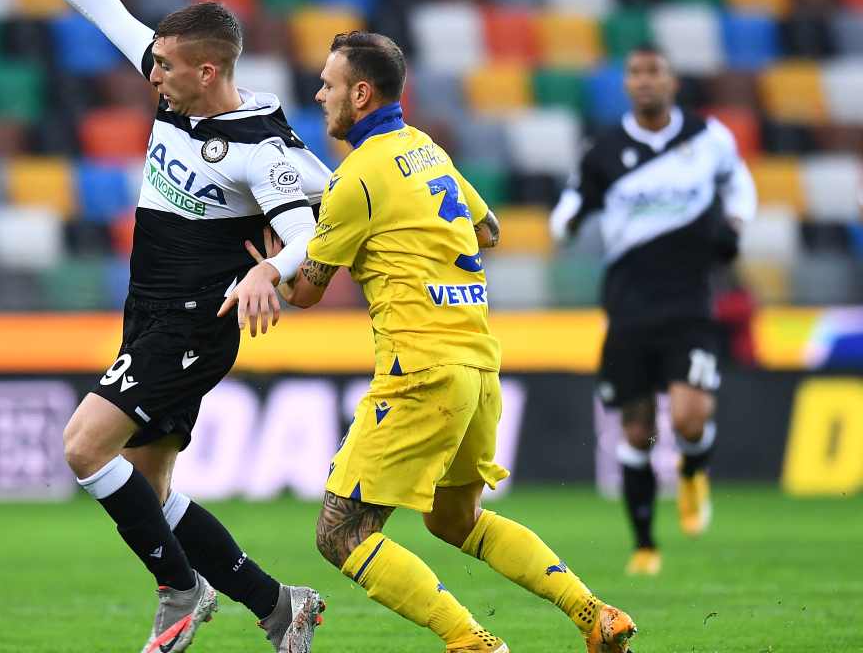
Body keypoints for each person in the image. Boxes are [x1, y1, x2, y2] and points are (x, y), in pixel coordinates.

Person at [229, 32, 637, 653]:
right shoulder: (427, 151)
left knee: (340, 535)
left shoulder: (355, 178)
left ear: (360, 94)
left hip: (418, 367)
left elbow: (308, 291)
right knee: (454, 519)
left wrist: (277, 263)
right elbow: (489, 228)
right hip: (477, 362)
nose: (320, 94)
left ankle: (471, 643)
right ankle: (593, 614)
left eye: (329, 84)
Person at [0, 0, 332, 652]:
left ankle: (180, 592)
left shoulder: (260, 149)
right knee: (150, 487)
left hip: (195, 323)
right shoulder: (183, 91)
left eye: (166, 67)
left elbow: (305, 234)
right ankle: (277, 605)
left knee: (82, 448)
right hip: (148, 313)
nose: (153, 76)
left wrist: (269, 269)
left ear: (208, 71)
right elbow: (100, 4)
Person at [549, 45, 757, 576]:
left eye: (654, 72)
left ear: (673, 81)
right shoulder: (604, 151)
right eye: (636, 73)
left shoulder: (708, 139)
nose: (645, 81)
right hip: (628, 308)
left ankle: (692, 472)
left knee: (690, 417)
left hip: (689, 303)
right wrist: (566, 225)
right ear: (626, 84)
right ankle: (645, 545)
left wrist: (734, 224)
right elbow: (570, 207)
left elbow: (740, 183)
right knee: (637, 429)